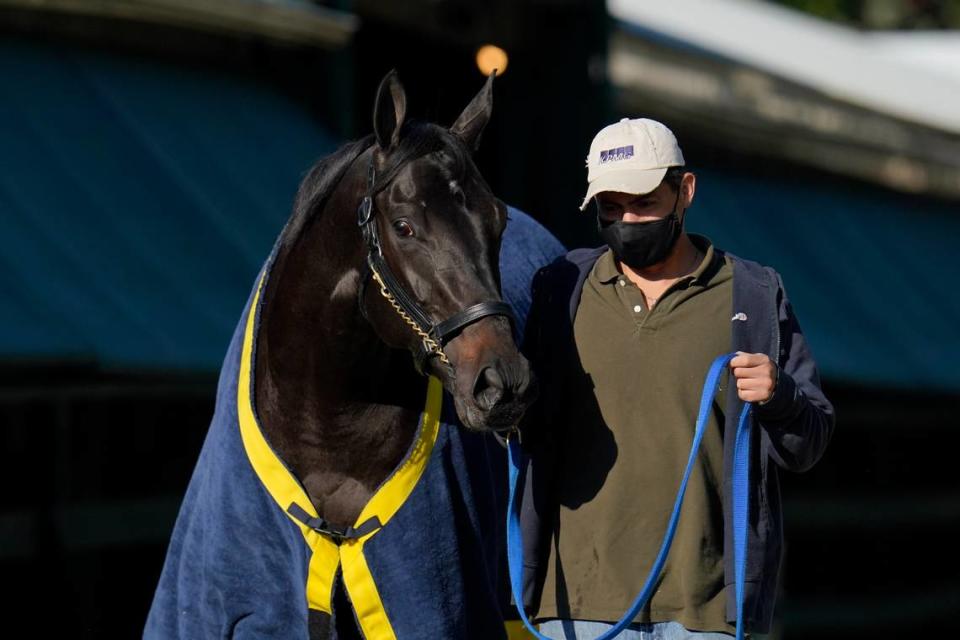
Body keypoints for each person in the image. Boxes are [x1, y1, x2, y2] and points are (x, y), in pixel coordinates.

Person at [518, 118, 835, 639]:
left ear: (684, 190)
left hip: (704, 612)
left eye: (643, 203)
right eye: (610, 207)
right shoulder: (562, 288)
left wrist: (780, 396)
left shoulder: (752, 295)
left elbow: (809, 443)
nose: (626, 220)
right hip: (574, 607)